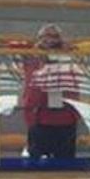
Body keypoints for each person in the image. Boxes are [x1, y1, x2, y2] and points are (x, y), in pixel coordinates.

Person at [17, 24, 81, 160]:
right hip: (39, 118)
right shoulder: (32, 57)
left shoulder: (69, 56)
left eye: (55, 37)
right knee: (36, 164)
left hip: (66, 119)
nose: (51, 41)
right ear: (39, 39)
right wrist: (40, 54)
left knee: (66, 165)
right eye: (47, 37)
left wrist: (65, 53)